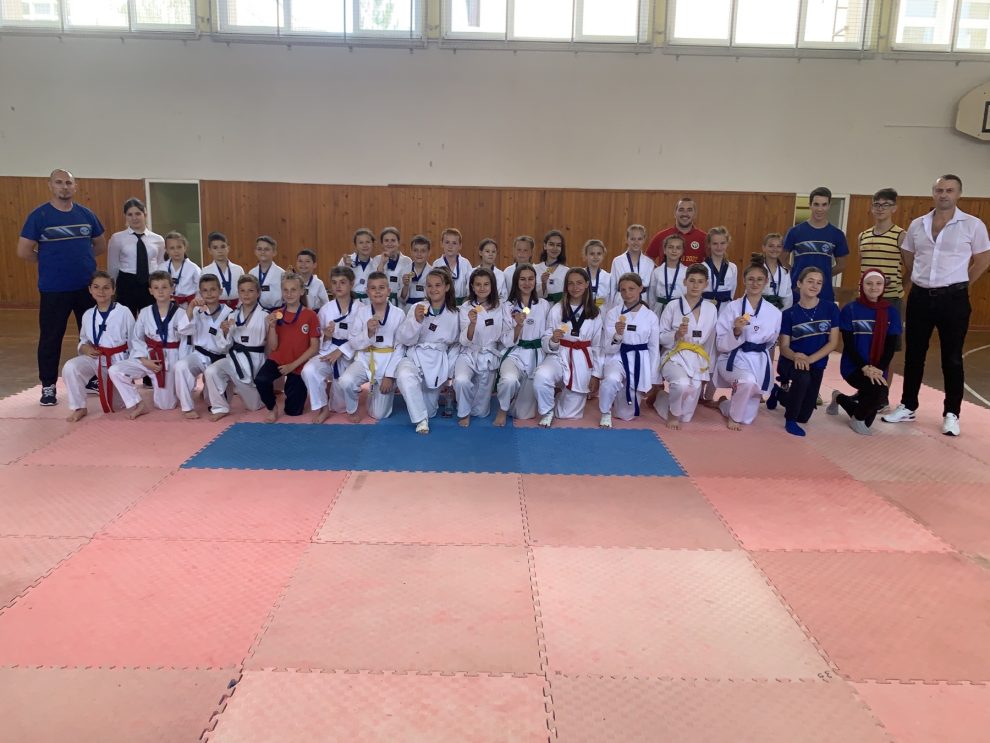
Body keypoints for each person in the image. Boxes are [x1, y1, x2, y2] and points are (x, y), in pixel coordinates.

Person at [882, 174, 990, 436]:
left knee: (952, 357)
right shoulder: (918, 224)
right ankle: (908, 405)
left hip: (954, 298)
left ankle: (952, 413)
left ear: (959, 194)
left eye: (949, 190)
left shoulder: (972, 225)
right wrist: (922, 277)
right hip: (920, 296)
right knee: (914, 355)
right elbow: (908, 255)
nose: (944, 195)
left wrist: (962, 283)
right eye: (939, 190)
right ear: (933, 192)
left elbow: (983, 260)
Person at [17, 168, 107, 406]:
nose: (64, 187)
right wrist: (49, 261)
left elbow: (100, 245)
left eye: (68, 183)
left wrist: (80, 261)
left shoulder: (86, 214)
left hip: (86, 288)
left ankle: (92, 379)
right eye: (59, 182)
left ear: (75, 186)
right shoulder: (39, 216)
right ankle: (48, 386)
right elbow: (23, 251)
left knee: (92, 336)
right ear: (50, 186)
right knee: (51, 338)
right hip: (54, 289)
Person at [828, 270, 903, 435]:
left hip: (877, 368)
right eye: (869, 283)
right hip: (854, 366)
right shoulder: (850, 309)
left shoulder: (891, 312)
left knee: (877, 399)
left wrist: (879, 369)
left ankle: (839, 397)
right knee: (877, 392)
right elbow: (849, 344)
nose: (874, 287)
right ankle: (857, 419)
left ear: (884, 287)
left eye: (878, 284)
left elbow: (890, 346)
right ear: (862, 285)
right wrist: (865, 367)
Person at [713, 257, 782, 430]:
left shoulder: (774, 312)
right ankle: (733, 417)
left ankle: (724, 403)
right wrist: (736, 332)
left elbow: (771, 342)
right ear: (743, 281)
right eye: (750, 279)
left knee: (748, 419)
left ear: (766, 281)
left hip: (759, 361)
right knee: (747, 381)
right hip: (733, 358)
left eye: (759, 279)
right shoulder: (732, 307)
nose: (755, 283)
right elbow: (720, 344)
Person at [770, 267, 840, 437]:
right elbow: (784, 347)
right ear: (799, 283)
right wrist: (796, 356)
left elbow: (833, 343)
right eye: (810, 281)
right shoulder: (788, 314)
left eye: (819, 283)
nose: (814, 285)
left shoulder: (830, 308)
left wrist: (810, 359)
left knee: (804, 416)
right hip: (792, 362)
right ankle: (790, 420)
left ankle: (778, 393)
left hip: (816, 363)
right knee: (802, 378)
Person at [108, 271, 183, 418]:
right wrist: (144, 360)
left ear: (172, 288)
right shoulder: (145, 312)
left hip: (170, 359)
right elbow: (136, 338)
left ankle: (173, 388)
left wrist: (179, 367)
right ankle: (138, 403)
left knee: (165, 405)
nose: (160, 291)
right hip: (148, 356)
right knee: (115, 370)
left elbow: (186, 342)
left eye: (164, 287)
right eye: (156, 287)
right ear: (150, 291)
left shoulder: (181, 314)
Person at [394, 268, 461, 434]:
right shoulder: (417, 308)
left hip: (436, 361)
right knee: (404, 375)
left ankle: (425, 412)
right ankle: (421, 421)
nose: (433, 289)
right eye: (429, 285)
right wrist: (416, 322)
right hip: (414, 355)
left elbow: (456, 345)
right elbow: (404, 339)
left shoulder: (455, 314)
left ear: (446, 287)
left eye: (438, 285)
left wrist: (449, 372)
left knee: (430, 411)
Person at [534, 268, 603, 427]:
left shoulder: (595, 313)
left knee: (568, 415)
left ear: (587, 284)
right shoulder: (557, 309)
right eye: (570, 283)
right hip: (559, 354)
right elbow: (546, 335)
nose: (575, 287)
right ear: (566, 286)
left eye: (579, 283)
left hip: (582, 359)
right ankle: (547, 410)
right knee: (541, 377)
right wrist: (553, 340)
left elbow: (598, 345)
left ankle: (559, 395)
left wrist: (596, 375)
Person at [63, 271, 135, 422]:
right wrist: (85, 348)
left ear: (113, 290)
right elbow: (83, 340)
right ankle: (79, 407)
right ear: (90, 289)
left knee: (116, 405)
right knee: (70, 367)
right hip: (96, 357)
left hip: (117, 360)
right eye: (96, 287)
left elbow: (134, 340)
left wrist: (129, 369)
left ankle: (125, 388)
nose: (101, 291)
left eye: (106, 287)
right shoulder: (88, 314)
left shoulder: (123, 312)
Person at [653, 265, 717, 430]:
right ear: (685, 282)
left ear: (706, 284)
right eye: (692, 281)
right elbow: (660, 335)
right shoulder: (673, 306)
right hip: (674, 355)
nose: (695, 285)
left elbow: (710, 341)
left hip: (698, 358)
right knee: (681, 384)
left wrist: (708, 369)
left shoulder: (711, 308)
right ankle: (672, 413)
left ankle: (661, 397)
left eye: (700, 282)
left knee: (686, 417)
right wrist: (675, 335)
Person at [338, 272, 405, 422]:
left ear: (389, 291)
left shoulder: (399, 314)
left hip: (387, 362)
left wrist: (389, 375)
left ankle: (374, 393)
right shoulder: (362, 313)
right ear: (367, 292)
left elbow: (400, 348)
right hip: (365, 359)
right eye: (373, 288)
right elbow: (353, 342)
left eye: (381, 287)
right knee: (346, 380)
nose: (377, 291)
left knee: (379, 415)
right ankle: (351, 409)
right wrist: (367, 332)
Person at [254, 272, 321, 422]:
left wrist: (292, 366)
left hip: (299, 364)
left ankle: (294, 390)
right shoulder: (276, 314)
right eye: (285, 290)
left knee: (293, 411)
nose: (289, 294)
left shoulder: (310, 315)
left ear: (301, 291)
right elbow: (273, 347)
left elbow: (314, 348)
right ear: (281, 291)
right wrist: (272, 327)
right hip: (278, 360)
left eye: (293, 290)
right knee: (261, 380)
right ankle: (272, 407)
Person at [598, 273, 660, 428]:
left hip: (640, 359)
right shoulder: (613, 313)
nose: (627, 293)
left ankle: (618, 399)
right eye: (623, 290)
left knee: (626, 415)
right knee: (611, 379)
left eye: (631, 289)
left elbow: (653, 347)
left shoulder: (651, 316)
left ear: (640, 288)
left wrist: (653, 377)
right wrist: (618, 335)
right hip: (618, 356)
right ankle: (605, 412)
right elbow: (608, 347)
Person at [204, 275, 267, 421]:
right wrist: (225, 332)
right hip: (234, 358)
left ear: (258, 293)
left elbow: (270, 346)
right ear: (238, 293)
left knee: (254, 406)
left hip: (254, 361)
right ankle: (219, 407)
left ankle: (257, 395)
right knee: (211, 371)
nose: (246, 294)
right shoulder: (233, 314)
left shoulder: (265, 315)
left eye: (250, 290)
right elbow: (224, 347)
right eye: (242, 291)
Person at [493, 264, 550, 427]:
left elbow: (547, 332)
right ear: (516, 282)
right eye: (522, 279)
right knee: (509, 380)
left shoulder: (543, 304)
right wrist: (518, 326)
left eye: (530, 279)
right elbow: (504, 338)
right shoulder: (508, 306)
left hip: (536, 354)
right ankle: (502, 409)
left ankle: (515, 400)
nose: (527, 283)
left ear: (535, 281)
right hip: (515, 352)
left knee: (524, 414)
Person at [454, 268, 512, 426]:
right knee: (461, 380)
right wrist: (472, 324)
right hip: (468, 352)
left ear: (492, 286)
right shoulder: (466, 307)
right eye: (478, 284)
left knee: (480, 412)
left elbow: (506, 334)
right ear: (472, 287)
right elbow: (464, 341)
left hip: (489, 354)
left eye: (486, 284)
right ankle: (463, 412)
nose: (482, 288)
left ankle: (472, 406)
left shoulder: (501, 307)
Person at [302, 266, 359, 423]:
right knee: (309, 370)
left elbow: (362, 339)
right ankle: (323, 407)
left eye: (343, 282)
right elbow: (317, 336)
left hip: (351, 355)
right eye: (334, 282)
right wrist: (326, 336)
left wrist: (341, 350)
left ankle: (336, 391)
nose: (338, 286)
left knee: (339, 406)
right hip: (328, 350)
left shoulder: (361, 309)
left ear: (351, 284)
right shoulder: (326, 309)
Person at [173, 274, 234, 420]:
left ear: (220, 291)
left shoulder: (230, 313)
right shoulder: (197, 310)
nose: (209, 293)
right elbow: (183, 330)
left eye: (213, 289)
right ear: (200, 293)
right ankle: (187, 407)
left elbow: (227, 345)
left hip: (219, 358)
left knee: (210, 401)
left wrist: (226, 331)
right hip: (199, 355)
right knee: (180, 366)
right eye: (205, 290)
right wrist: (190, 307)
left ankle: (217, 404)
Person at [783, 186, 848, 304]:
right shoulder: (795, 232)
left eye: (824, 205)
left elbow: (841, 265)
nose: (820, 209)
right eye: (816, 204)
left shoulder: (837, 234)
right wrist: (796, 273)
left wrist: (823, 276)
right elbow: (781, 259)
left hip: (824, 291)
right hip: (797, 291)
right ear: (810, 205)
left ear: (829, 206)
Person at [106, 197, 165, 316]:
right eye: (130, 214)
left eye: (138, 213)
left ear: (145, 214)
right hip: (127, 283)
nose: (134, 218)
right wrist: (111, 289)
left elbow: (161, 265)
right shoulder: (117, 238)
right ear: (125, 216)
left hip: (150, 283)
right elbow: (113, 266)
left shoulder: (158, 239)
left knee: (150, 317)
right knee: (126, 318)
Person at [858, 188, 905, 319]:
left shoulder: (901, 235)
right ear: (872, 208)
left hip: (891, 298)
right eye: (877, 204)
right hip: (866, 296)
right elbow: (863, 266)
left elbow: (911, 267)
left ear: (894, 208)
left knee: (891, 332)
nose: (880, 208)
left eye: (886, 205)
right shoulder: (863, 236)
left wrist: (898, 288)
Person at [646, 196, 707, 265]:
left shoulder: (704, 238)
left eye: (689, 210)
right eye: (681, 210)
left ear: (695, 214)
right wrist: (658, 271)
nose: (685, 213)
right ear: (675, 213)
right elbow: (647, 259)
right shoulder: (661, 236)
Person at [609, 225, 655, 303]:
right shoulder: (617, 261)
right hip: (622, 300)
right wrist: (611, 306)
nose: (636, 242)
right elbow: (612, 287)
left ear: (644, 240)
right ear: (627, 239)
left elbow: (651, 290)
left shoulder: (649, 263)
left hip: (642, 301)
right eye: (632, 239)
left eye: (639, 239)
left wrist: (650, 307)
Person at [201, 231, 244, 309]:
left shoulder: (238, 269)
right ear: (210, 250)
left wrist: (240, 308)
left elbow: (243, 290)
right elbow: (202, 294)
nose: (220, 251)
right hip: (215, 308)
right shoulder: (205, 271)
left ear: (228, 248)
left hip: (237, 308)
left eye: (223, 247)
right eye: (215, 248)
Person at [432, 228, 473, 304]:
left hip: (463, 303)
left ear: (460, 246)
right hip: (443, 303)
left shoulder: (465, 263)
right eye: (447, 242)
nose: (450, 246)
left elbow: (471, 285)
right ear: (442, 244)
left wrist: (468, 301)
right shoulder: (437, 264)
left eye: (454, 243)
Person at [649, 233, 686, 317]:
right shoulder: (657, 272)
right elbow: (651, 296)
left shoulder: (686, 271)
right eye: (670, 247)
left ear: (682, 251)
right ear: (664, 250)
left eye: (678, 248)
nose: (674, 250)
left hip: (679, 309)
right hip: (660, 309)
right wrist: (652, 313)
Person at [701, 226, 738, 309]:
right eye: (715, 243)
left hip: (726, 307)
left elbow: (733, 290)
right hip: (706, 307)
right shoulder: (702, 267)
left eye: (722, 243)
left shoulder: (733, 267)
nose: (719, 247)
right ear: (709, 244)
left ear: (727, 243)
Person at [376, 227, 413, 305]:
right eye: (386, 240)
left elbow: (407, 286)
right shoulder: (377, 259)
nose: (390, 243)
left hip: (399, 303)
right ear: (382, 243)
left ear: (398, 242)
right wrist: (382, 263)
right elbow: (376, 281)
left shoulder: (407, 261)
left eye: (393, 240)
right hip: (381, 302)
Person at [340, 228, 377, 303]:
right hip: (350, 300)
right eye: (361, 242)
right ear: (356, 245)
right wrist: (347, 267)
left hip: (369, 302)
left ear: (372, 244)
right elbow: (339, 283)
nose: (365, 245)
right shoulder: (346, 260)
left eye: (368, 242)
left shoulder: (375, 264)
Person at [164, 232, 201, 306]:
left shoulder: (193, 268)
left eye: (179, 247)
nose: (176, 251)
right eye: (172, 248)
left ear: (185, 248)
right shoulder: (162, 268)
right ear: (167, 250)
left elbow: (200, 288)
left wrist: (196, 302)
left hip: (189, 305)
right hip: (168, 305)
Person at [250, 235, 285, 311]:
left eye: (266, 249)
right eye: (259, 249)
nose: (263, 252)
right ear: (255, 252)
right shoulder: (252, 273)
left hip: (277, 311)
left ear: (274, 252)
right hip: (256, 311)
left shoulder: (281, 273)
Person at [535, 230, 569, 304]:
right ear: (545, 246)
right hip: (540, 309)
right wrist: (543, 284)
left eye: (558, 245)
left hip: (560, 309)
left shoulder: (567, 271)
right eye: (551, 244)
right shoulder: (535, 269)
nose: (555, 248)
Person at [761, 233, 792, 310]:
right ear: (764, 248)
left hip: (779, 312)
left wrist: (781, 314)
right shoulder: (756, 269)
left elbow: (788, 298)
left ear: (782, 249)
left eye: (778, 246)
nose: (775, 249)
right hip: (757, 310)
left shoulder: (785, 272)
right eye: (771, 246)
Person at [399, 234, 432, 308]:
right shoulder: (404, 271)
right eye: (415, 250)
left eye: (423, 251)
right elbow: (402, 299)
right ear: (411, 251)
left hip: (426, 307)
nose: (419, 254)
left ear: (429, 252)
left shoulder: (432, 272)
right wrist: (406, 286)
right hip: (408, 308)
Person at [582, 239, 612, 310]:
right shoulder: (580, 275)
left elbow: (610, 301)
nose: (595, 257)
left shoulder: (608, 277)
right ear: (586, 255)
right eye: (592, 254)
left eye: (599, 254)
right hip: (582, 313)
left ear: (603, 255)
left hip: (602, 314)